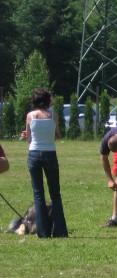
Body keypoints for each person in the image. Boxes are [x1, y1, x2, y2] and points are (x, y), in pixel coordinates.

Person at [24, 88, 68, 238]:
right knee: (55, 193)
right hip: (50, 153)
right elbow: (57, 135)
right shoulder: (53, 116)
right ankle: (60, 230)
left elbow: (29, 138)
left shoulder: (30, 116)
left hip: (34, 153)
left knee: (38, 194)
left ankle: (42, 232)